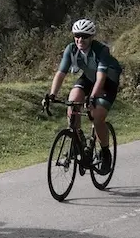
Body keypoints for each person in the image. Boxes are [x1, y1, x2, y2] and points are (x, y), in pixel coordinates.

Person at [42, 18, 122, 175]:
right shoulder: (71, 49)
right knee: (72, 104)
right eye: (77, 36)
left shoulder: (101, 51)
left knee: (97, 116)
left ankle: (105, 153)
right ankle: (78, 140)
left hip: (107, 80)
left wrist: (92, 98)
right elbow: (61, 73)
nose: (80, 39)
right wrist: (52, 94)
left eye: (85, 36)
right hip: (89, 77)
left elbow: (101, 78)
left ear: (91, 37)